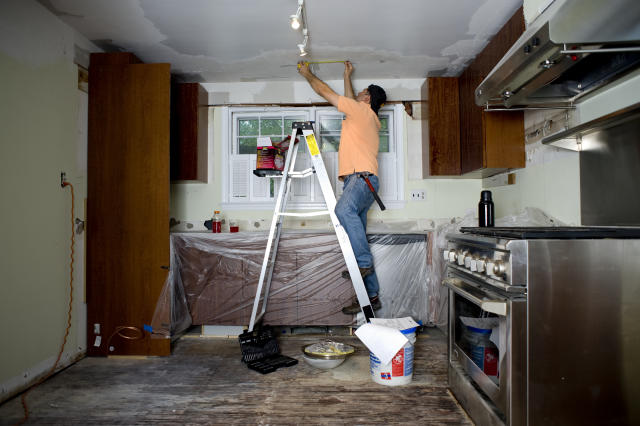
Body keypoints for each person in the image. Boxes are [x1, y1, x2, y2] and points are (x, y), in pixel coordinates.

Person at [297, 60, 386, 315]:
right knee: (353, 225)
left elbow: (324, 92)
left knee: (343, 211)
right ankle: (372, 294)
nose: (357, 94)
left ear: (367, 99)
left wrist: (307, 74)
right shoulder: (365, 117)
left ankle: (363, 265)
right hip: (363, 182)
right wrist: (346, 74)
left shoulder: (361, 112)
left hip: (361, 179)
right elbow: (350, 100)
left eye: (362, 93)